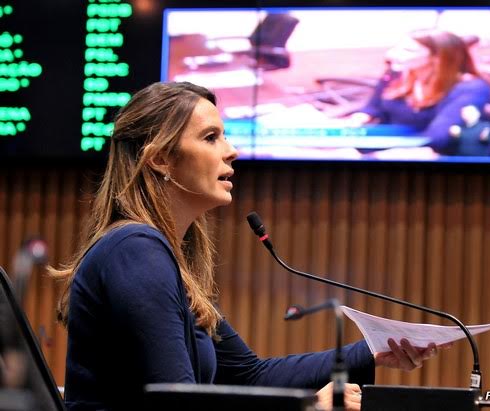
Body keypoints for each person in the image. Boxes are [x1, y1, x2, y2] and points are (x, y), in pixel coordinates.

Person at [50, 82, 441, 411]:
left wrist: (373, 350)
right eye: (211, 137)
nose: (231, 150)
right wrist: (308, 407)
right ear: (161, 159)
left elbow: (251, 376)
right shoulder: (135, 251)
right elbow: (178, 402)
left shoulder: (160, 256)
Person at [350, 30, 490, 156]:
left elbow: (438, 137)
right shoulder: (396, 74)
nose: (391, 54)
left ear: (438, 58)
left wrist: (377, 156)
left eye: (408, 50)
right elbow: (374, 107)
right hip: (387, 142)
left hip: (431, 154)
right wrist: (358, 120)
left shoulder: (470, 88)